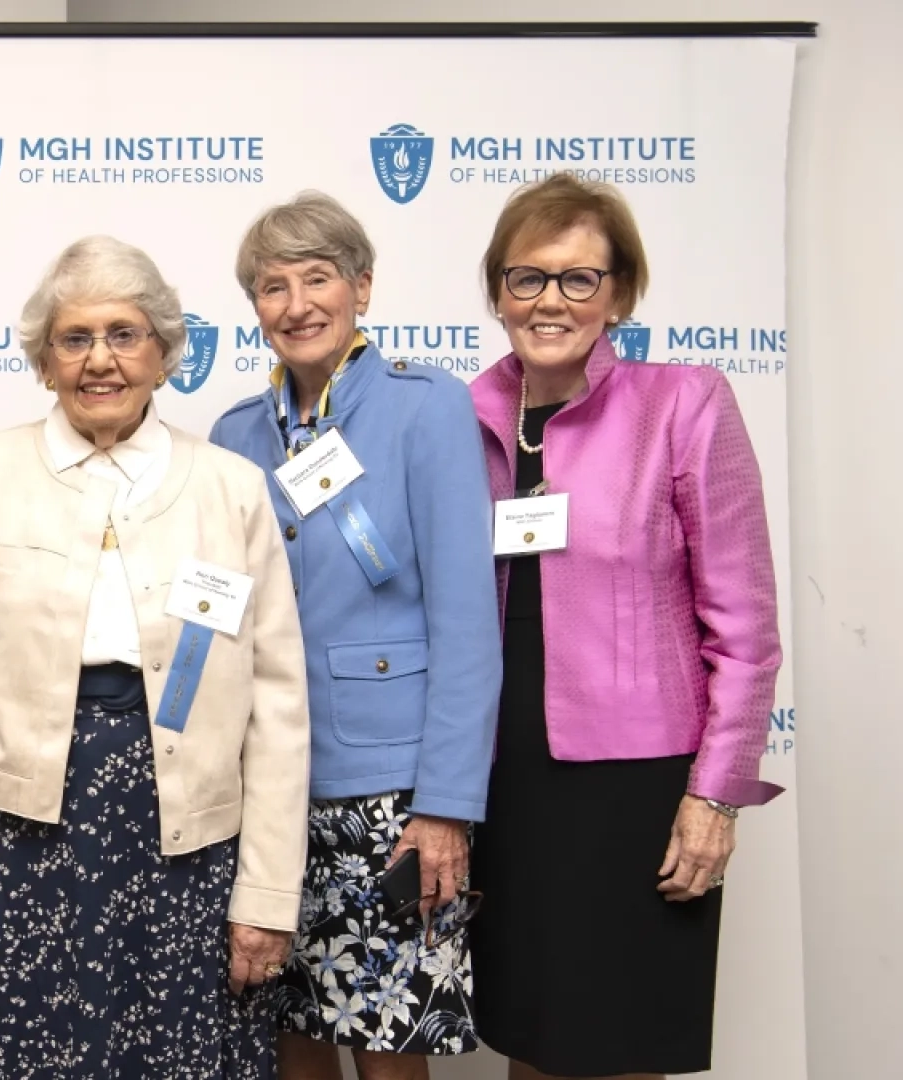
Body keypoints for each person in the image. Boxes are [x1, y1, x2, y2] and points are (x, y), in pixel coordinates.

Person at [0, 235, 311, 1080]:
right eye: (75, 338)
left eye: (125, 334)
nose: (100, 360)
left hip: (193, 843)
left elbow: (276, 703)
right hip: (20, 843)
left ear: (164, 353)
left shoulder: (231, 487)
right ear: (43, 360)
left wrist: (268, 895)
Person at [465, 174, 783, 1080]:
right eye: (528, 277)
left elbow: (746, 628)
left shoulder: (682, 403)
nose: (550, 301)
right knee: (533, 1037)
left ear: (621, 294)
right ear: (499, 292)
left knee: (624, 1044)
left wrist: (714, 796)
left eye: (579, 278)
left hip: (639, 784)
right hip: (507, 781)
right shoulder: (462, 415)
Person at [209, 191, 501, 1080]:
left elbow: (467, 624)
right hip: (265, 790)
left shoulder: (427, 407)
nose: (296, 304)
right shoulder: (233, 435)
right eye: (273, 286)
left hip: (391, 793)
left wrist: (445, 806)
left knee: (387, 1046)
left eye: (318, 279)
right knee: (284, 1035)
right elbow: (216, 612)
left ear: (361, 287)